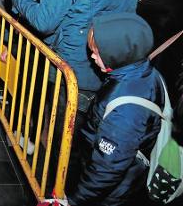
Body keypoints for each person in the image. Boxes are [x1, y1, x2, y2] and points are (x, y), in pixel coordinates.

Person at [2, 0, 141, 176]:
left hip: (74, 64)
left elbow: (44, 21)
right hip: (111, 57)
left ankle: (56, 188)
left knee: (61, 144)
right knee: (85, 139)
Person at [67, 13, 163, 206]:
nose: (92, 56)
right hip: (118, 181)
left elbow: (107, 168)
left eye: (98, 51)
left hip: (112, 194)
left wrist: (75, 200)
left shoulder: (127, 107)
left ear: (118, 52)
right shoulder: (140, 71)